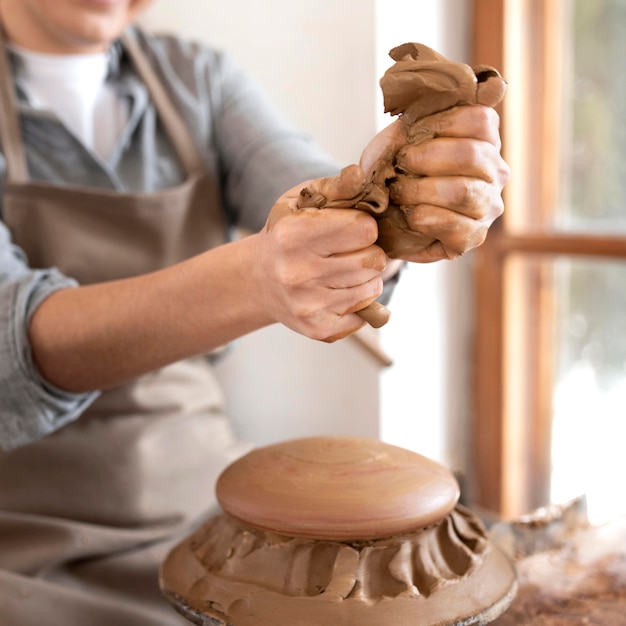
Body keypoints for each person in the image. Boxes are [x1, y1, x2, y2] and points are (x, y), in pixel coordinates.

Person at [0, 1, 510, 624]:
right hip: (24, 538)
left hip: (204, 512)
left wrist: (399, 198)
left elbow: (310, 191)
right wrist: (255, 280)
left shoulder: (195, 79)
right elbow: (18, 345)